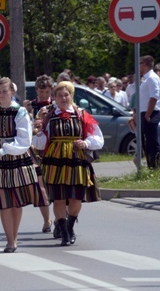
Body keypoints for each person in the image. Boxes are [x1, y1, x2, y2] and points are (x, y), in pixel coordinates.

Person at [34, 81, 104, 246]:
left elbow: (97, 138)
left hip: (76, 160)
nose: (64, 98)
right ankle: (64, 231)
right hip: (55, 160)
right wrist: (38, 130)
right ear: (54, 98)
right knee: (58, 198)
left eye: (66, 95)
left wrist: (85, 144)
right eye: (60, 95)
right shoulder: (49, 115)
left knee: (76, 198)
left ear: (71, 96)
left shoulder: (81, 114)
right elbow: (40, 142)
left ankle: (70, 225)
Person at [0, 78, 48, 253]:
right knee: (4, 202)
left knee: (16, 202)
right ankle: (10, 240)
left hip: (16, 157)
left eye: (5, 91)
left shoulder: (20, 112)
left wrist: (3, 150)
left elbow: (24, 141)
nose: (2, 94)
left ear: (12, 92)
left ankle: (15, 236)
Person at [22, 74, 54, 233]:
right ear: (37, 91)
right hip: (35, 150)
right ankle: (46, 220)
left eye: (47, 92)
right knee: (41, 187)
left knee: (56, 185)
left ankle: (62, 217)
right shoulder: (30, 106)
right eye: (41, 92)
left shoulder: (55, 105)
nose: (44, 95)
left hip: (53, 149)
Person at [139, 55, 160, 170]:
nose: (138, 66)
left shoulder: (152, 78)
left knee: (152, 142)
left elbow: (154, 97)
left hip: (151, 113)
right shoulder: (146, 78)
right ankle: (151, 166)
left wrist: (148, 114)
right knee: (146, 142)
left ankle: (157, 167)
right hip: (145, 112)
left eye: (140, 63)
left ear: (145, 64)